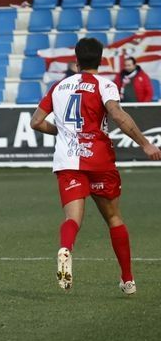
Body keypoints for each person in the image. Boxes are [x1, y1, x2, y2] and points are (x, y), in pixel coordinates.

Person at [29, 37, 161, 293]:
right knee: (113, 218)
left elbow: (36, 122)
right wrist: (146, 144)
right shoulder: (105, 85)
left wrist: (61, 132)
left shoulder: (58, 87)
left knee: (73, 218)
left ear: (75, 61)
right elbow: (118, 115)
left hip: (68, 160)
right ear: (101, 61)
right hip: (99, 159)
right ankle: (128, 279)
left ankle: (66, 248)